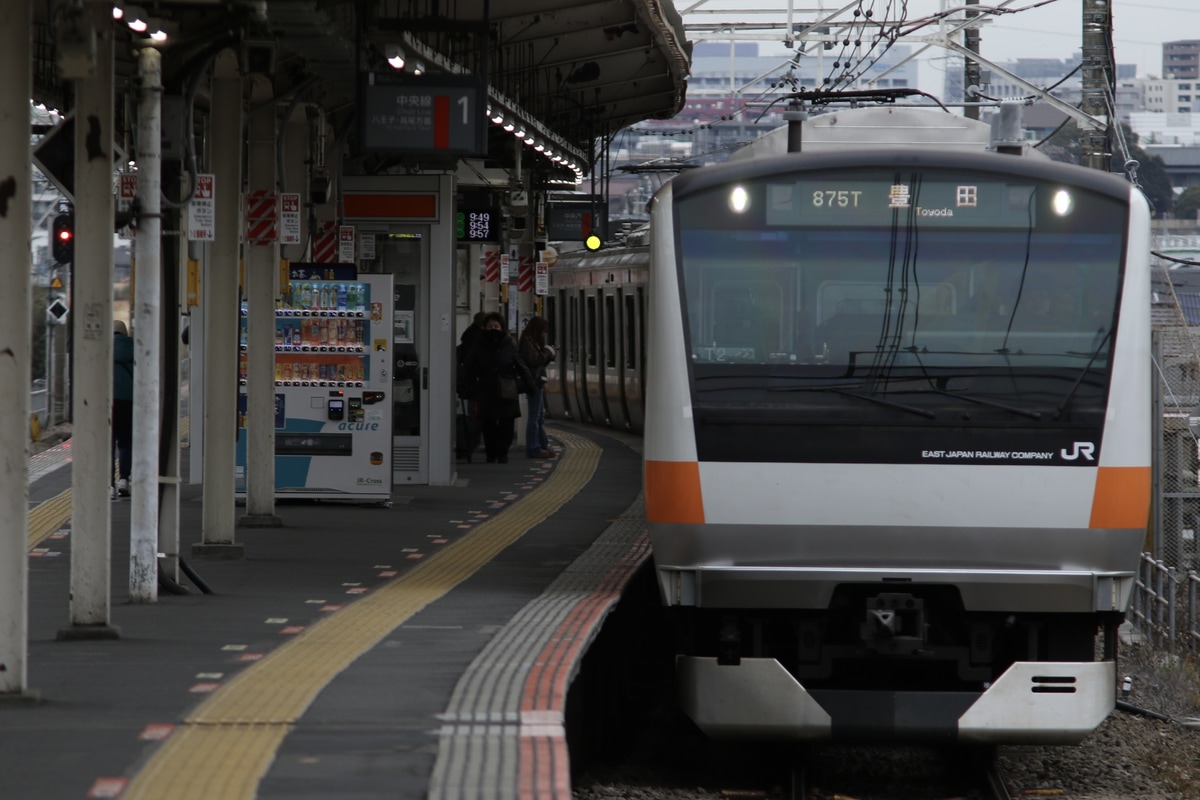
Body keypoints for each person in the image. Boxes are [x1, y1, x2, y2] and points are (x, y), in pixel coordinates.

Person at [462, 312, 534, 463]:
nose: (493, 329)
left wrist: (530, 384)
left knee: (507, 423)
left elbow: (520, 365)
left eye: (496, 326)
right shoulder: (478, 345)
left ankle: (503, 452)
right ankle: (491, 452)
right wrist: (467, 387)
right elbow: (469, 367)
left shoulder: (509, 344)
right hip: (486, 390)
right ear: (483, 328)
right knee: (488, 424)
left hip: (507, 389)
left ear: (502, 328)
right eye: (490, 327)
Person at [518, 316, 557, 459]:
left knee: (539, 417)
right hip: (533, 383)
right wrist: (548, 352)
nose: (544, 334)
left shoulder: (530, 341)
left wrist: (547, 352)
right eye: (543, 331)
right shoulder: (528, 343)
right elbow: (536, 361)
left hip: (536, 382)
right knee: (534, 417)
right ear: (538, 330)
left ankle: (542, 445)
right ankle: (534, 448)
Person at [455, 312, 488, 462]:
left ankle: (468, 443)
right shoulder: (478, 339)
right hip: (477, 383)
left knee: (471, 414)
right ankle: (471, 442)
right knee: (476, 414)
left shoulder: (468, 336)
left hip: (469, 383)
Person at [112, 319, 134, 497]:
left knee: (108, 444)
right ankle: (124, 480)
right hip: (129, 402)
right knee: (126, 442)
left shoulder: (103, 348)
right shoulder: (134, 348)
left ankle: (109, 484)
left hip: (108, 402)